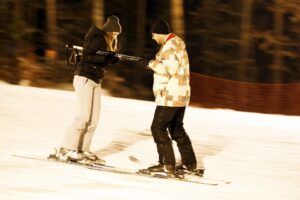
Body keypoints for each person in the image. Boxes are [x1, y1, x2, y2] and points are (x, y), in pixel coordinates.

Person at [50, 15, 122, 164]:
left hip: (96, 80)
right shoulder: (97, 37)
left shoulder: (107, 42)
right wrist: (107, 58)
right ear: (109, 31)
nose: (115, 36)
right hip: (85, 78)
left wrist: (111, 59)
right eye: (114, 33)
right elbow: (88, 56)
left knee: (93, 119)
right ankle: (66, 148)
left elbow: (100, 59)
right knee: (83, 117)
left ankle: (82, 149)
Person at [140, 20, 198, 174]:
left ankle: (167, 164)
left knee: (157, 128)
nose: (153, 38)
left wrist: (150, 63)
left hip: (170, 95)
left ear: (159, 33)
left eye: (153, 35)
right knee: (176, 129)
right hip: (181, 93)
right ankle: (189, 164)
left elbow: (168, 69)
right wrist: (151, 62)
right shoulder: (177, 44)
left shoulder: (170, 46)